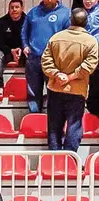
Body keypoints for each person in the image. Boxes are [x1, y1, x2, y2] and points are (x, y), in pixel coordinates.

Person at [42, 7, 99, 152]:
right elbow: (89, 66)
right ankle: (70, 160)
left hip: (55, 89)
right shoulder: (91, 41)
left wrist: (57, 74)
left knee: (54, 127)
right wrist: (71, 77)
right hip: (77, 91)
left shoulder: (56, 38)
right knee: (74, 126)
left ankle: (55, 163)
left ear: (70, 20)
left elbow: (45, 61)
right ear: (86, 22)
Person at [22, 0, 71, 113]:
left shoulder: (65, 13)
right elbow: (24, 31)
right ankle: (34, 119)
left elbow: (68, 37)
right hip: (34, 58)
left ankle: (54, 124)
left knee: (54, 93)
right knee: (33, 92)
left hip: (54, 60)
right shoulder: (33, 12)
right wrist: (25, 45)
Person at [0, 0, 26, 90]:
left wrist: (20, 50)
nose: (14, 10)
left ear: (22, 8)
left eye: (17, 7)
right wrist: (11, 51)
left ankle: (31, 86)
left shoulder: (28, 22)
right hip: (6, 51)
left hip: (22, 51)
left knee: (33, 55)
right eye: (12, 7)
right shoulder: (1, 22)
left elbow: (30, 40)